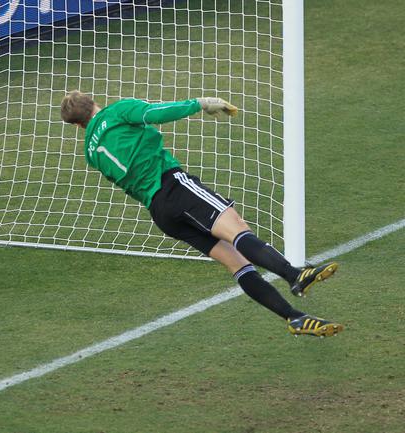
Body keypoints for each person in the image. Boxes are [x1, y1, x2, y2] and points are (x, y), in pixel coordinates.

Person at [60, 90, 343, 337]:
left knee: (238, 264)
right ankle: (295, 275)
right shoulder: (119, 111)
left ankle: (293, 317)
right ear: (93, 102)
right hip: (174, 186)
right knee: (237, 230)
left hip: (160, 212)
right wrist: (200, 103)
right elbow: (157, 112)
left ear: (77, 124)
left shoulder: (91, 152)